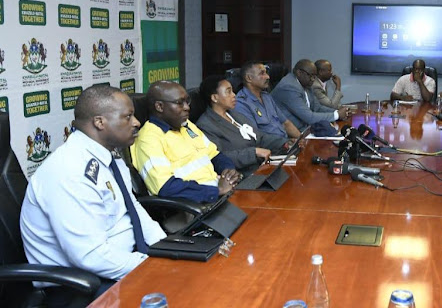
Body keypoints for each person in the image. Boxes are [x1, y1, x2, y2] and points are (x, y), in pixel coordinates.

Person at [20, 85, 166, 305]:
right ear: (100, 122)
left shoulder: (111, 157)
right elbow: (90, 256)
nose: (137, 122)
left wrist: (165, 249)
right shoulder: (69, 170)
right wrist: (149, 266)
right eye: (128, 117)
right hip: (82, 286)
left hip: (122, 264)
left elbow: (132, 207)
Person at [130, 81, 241, 203]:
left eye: (187, 101)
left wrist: (229, 172)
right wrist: (217, 191)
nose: (187, 107)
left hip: (217, 196)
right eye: (179, 103)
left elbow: (214, 155)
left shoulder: (187, 125)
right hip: (193, 208)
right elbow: (165, 187)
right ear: (159, 107)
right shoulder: (148, 139)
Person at [196, 75, 288, 175]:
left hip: (262, 166)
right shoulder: (206, 125)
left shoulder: (234, 114)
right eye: (228, 92)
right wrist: (253, 153)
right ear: (214, 98)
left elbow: (259, 137)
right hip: (243, 174)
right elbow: (218, 157)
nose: (234, 95)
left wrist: (284, 143)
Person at [271, 59, 349, 133]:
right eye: (310, 75)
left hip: (306, 129)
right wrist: (337, 115)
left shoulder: (305, 83)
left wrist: (337, 112)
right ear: (299, 73)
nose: (313, 79)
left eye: (314, 76)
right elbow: (309, 117)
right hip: (291, 134)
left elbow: (317, 108)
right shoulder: (289, 87)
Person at [235, 62, 301, 140]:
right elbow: (255, 136)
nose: (268, 77)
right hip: (270, 149)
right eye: (262, 73)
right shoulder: (241, 103)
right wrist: (285, 143)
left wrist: (301, 140)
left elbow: (286, 123)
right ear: (249, 78)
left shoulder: (267, 97)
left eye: (266, 73)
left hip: (285, 144)